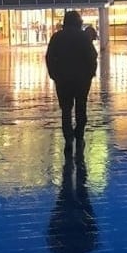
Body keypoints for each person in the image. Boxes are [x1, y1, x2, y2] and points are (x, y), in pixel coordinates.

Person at [46, 11, 98, 152]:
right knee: (81, 107)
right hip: (81, 80)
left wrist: (54, 75)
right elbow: (93, 56)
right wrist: (90, 74)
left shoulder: (57, 37)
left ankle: (68, 138)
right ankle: (79, 136)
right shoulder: (83, 37)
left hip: (63, 80)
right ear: (78, 22)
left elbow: (49, 57)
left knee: (66, 110)